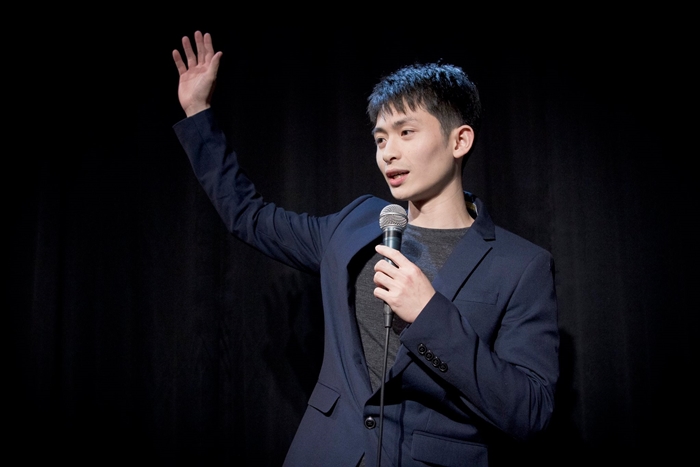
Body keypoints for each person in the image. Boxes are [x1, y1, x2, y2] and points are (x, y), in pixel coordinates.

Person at [172, 31, 559, 467]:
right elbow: (249, 216)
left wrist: (430, 315)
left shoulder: (520, 265)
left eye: (406, 132)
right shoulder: (355, 224)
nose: (388, 153)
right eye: (380, 139)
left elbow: (530, 411)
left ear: (459, 141)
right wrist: (197, 112)